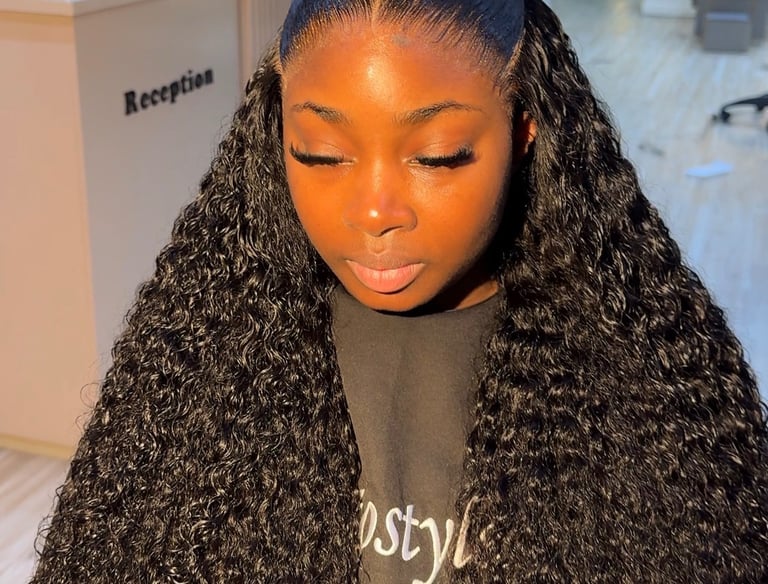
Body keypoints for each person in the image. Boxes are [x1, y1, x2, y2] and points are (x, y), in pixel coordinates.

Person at [32, 0, 768, 582]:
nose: (374, 212)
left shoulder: (643, 385)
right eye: (321, 154)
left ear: (525, 129)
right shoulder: (212, 359)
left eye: (438, 157)